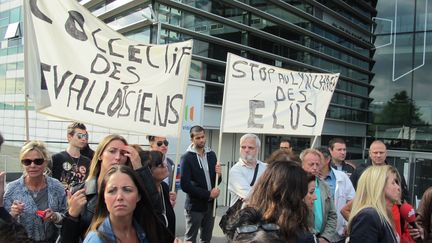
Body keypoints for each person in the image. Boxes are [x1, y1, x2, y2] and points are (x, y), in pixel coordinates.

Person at [60, 134, 168, 243]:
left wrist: (139, 167)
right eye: (112, 151)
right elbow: (66, 239)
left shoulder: (135, 187)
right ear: (100, 155)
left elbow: (154, 210)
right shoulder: (79, 192)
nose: (118, 157)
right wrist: (72, 217)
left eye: (122, 153)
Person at [229, 160, 316, 242]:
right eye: (310, 192)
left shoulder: (243, 227)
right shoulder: (302, 237)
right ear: (296, 197)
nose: (315, 197)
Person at [4, 140, 66, 242]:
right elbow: (4, 225)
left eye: (38, 161)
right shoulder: (12, 189)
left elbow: (67, 216)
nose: (32, 165)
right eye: (27, 162)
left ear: (45, 162)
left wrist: (55, 216)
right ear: (22, 164)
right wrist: (13, 214)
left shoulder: (56, 187)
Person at [83, 165, 164, 243]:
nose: (119, 197)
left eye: (127, 190)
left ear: (138, 196)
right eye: (112, 191)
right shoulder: (95, 239)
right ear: (104, 197)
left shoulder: (147, 232)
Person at [180, 125, 222, 243]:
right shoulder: (186, 158)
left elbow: (216, 181)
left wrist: (219, 174)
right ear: (192, 139)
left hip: (211, 205)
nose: (201, 140)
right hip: (195, 206)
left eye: (203, 137)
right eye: (198, 138)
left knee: (206, 239)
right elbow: (185, 185)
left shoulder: (211, 155)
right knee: (190, 239)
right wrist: (208, 194)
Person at [347, 165, 401, 242]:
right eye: (393, 183)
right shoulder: (368, 216)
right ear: (379, 185)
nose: (398, 187)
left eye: (397, 182)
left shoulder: (383, 214)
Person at [318, 147, 355, 243]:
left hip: (339, 234)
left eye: (318, 160)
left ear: (327, 160)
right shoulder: (311, 178)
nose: (315, 164)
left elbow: (352, 201)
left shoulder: (342, 177)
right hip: (317, 234)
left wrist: (348, 223)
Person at [300, 148, 337, 243]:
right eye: (311, 164)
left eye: (317, 164)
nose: (315, 167)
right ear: (302, 164)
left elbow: (332, 214)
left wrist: (326, 238)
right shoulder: (296, 186)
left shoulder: (325, 186)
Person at [143, 150, 177, 237]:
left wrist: (169, 205)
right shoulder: (144, 193)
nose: (165, 166)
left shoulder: (164, 187)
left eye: (164, 163)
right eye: (160, 165)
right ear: (149, 171)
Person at [228, 134, 267, 206]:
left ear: (258, 150)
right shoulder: (236, 170)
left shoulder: (266, 168)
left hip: (262, 214)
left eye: (250, 147)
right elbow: (249, 196)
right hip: (241, 215)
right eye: (243, 147)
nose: (246, 150)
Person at [51, 122, 91, 190]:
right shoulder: (57, 158)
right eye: (79, 136)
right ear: (69, 137)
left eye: (85, 136)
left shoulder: (88, 162)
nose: (83, 139)